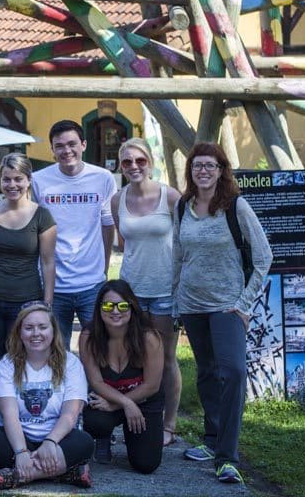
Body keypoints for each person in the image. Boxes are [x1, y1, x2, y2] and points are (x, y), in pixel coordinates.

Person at [174, 142, 273, 484]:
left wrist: (244, 304)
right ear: (190, 170)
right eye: (198, 165)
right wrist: (176, 298)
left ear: (221, 170)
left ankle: (227, 457)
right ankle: (212, 439)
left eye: (210, 166)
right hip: (191, 304)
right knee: (206, 372)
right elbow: (178, 255)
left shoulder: (235, 206)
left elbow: (264, 258)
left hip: (227, 305)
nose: (203, 171)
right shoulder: (182, 206)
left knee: (232, 372)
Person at [110, 137, 182, 447]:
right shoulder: (117, 200)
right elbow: (124, 243)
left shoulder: (171, 197)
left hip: (165, 289)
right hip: (131, 292)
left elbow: (186, 241)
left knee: (165, 358)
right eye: (127, 162)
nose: (134, 167)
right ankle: (136, 418)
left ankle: (169, 424)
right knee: (133, 358)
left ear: (150, 162)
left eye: (140, 160)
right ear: (121, 166)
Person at [0, 152, 56, 401]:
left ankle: (23, 415)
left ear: (28, 180)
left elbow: (48, 262)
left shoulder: (42, 216)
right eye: (6, 179)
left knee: (21, 358)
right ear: (0, 181)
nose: (12, 185)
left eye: (18, 179)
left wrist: (46, 303)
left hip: (26, 302)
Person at [0, 302, 94, 490]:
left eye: (42, 327)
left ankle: (18, 476)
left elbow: (70, 414)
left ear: (53, 331)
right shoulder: (7, 364)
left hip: (58, 438)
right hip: (18, 436)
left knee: (84, 444)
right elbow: (9, 415)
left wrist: (50, 442)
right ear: (19, 332)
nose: (36, 333)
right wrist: (21, 451)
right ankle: (65, 472)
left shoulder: (71, 363)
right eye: (29, 328)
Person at [31, 120, 117, 350]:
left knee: (98, 348)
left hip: (91, 283)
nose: (66, 150)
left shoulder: (103, 178)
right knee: (56, 350)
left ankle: (93, 388)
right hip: (53, 285)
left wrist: (104, 267)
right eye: (59, 146)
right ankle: (62, 388)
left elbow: (107, 225)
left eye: (72, 144)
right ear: (52, 149)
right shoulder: (39, 181)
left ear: (84, 145)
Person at [80, 279, 164, 474]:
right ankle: (104, 438)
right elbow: (96, 381)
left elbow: (152, 385)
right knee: (95, 423)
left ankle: (132, 432)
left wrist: (119, 404)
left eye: (123, 305)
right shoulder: (88, 336)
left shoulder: (149, 337)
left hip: (144, 401)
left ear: (132, 307)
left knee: (146, 464)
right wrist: (125, 404)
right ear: (99, 308)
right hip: (107, 398)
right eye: (108, 305)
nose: (115, 311)